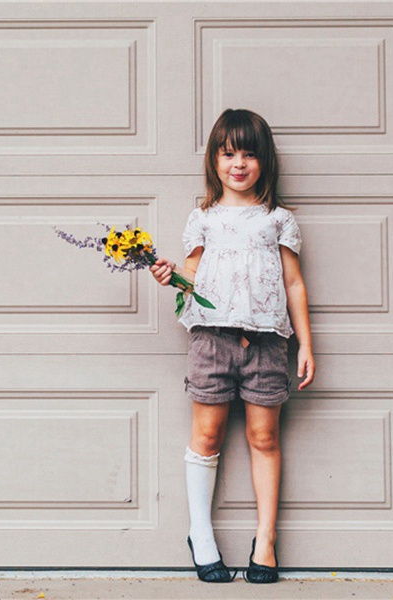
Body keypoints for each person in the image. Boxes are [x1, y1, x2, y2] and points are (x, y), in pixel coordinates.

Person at [150, 108, 315, 584]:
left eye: (249, 153)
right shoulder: (202, 219)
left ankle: (265, 540)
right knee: (206, 437)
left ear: (264, 161)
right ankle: (201, 534)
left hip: (266, 343)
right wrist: (170, 277)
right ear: (214, 160)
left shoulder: (277, 220)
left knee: (264, 439)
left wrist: (305, 344)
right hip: (211, 340)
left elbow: (294, 283)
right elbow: (192, 278)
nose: (238, 163)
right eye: (228, 154)